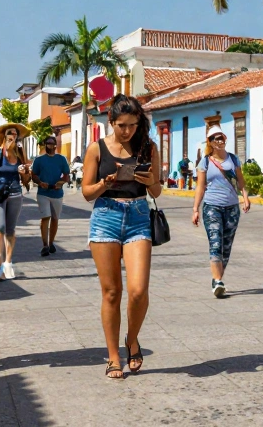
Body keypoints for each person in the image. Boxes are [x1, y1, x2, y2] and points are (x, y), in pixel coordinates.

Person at [82, 94, 162, 381]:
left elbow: (157, 191)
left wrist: (149, 181)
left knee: (138, 290)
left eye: (132, 125)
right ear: (111, 121)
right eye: (121, 125)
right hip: (106, 216)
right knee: (112, 292)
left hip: (138, 215)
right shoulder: (97, 149)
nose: (127, 131)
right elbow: (86, 192)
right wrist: (105, 183)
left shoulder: (148, 148)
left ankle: (132, 338)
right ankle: (113, 356)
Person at [191, 125, 251, 298]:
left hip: (232, 208)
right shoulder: (205, 162)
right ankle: (218, 280)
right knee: (215, 243)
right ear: (210, 142)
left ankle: (217, 280)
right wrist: (195, 209)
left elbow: (241, 181)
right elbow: (200, 187)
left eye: (221, 137)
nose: (219, 141)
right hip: (212, 207)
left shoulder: (233, 159)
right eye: (215, 138)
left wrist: (245, 197)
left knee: (226, 246)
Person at [0, 123, 32, 281]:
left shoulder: (20, 155)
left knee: (11, 231)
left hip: (15, 194)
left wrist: (25, 173)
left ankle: (8, 263)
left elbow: (26, 180)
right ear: (4, 136)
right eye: (10, 133)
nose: (13, 136)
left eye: (15, 133)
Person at [32, 135, 70, 257]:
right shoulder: (39, 160)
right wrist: (40, 183)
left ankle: (51, 242)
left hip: (57, 193)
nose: (50, 145)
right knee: (45, 217)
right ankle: (45, 245)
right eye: (48, 143)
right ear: (45, 145)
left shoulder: (61, 159)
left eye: (52, 143)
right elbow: (34, 175)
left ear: (55, 145)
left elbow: (66, 175)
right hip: (43, 193)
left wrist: (61, 183)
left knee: (55, 218)